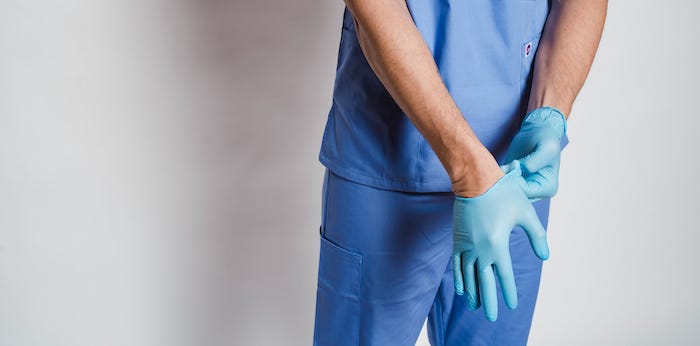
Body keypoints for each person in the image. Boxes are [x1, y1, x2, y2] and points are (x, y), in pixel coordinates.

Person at [312, 0, 606, 345]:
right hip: (388, 168)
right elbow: (376, 10)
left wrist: (549, 113)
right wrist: (470, 171)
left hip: (511, 173)